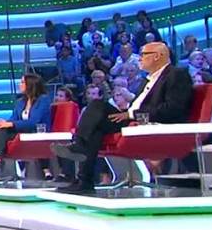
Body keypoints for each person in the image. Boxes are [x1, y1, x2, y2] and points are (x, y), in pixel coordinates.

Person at [53, 42, 194, 193]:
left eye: (143, 54)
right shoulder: (147, 79)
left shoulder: (176, 74)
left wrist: (132, 114)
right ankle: (84, 179)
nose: (139, 58)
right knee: (96, 113)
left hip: (151, 123)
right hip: (134, 119)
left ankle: (81, 159)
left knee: (97, 114)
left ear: (157, 56)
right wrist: (129, 113)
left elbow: (173, 109)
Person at [0, 73, 52, 187]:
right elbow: (13, 119)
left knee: (4, 129)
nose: (19, 84)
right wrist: (4, 123)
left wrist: (10, 124)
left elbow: (34, 122)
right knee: (2, 130)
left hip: (37, 133)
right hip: (22, 134)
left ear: (30, 84)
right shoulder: (21, 102)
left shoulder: (43, 100)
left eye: (22, 82)